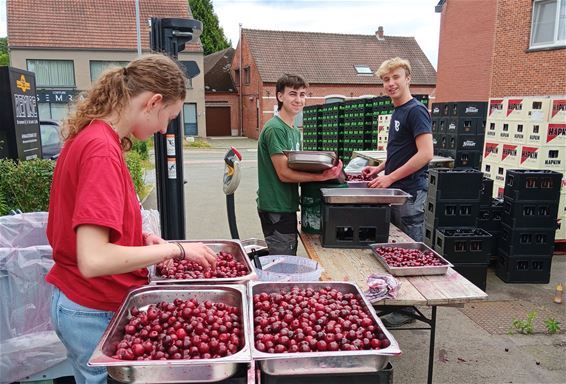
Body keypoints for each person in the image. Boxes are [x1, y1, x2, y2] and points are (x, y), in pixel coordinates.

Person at [45, 54, 217, 384]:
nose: (164, 128)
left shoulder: (95, 136)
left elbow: (90, 224)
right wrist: (175, 250)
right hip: (90, 308)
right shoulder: (101, 150)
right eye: (169, 116)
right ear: (153, 102)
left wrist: (138, 239)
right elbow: (93, 259)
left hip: (84, 302)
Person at [362, 57, 433, 326]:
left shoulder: (416, 111)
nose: (390, 83)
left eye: (396, 77)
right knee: (395, 249)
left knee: (409, 252)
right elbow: (402, 151)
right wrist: (380, 168)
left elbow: (426, 153)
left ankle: (407, 311)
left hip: (410, 192)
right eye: (386, 79)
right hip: (397, 188)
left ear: (408, 78)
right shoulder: (398, 111)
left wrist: (390, 177)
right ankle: (395, 301)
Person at [257, 74, 343, 255]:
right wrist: (320, 177)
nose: (298, 100)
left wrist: (326, 164)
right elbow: (284, 173)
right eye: (293, 94)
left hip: (286, 205)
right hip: (275, 206)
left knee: (288, 253)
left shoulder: (295, 131)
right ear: (280, 97)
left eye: (302, 94)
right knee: (283, 261)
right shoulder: (275, 128)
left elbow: (297, 166)